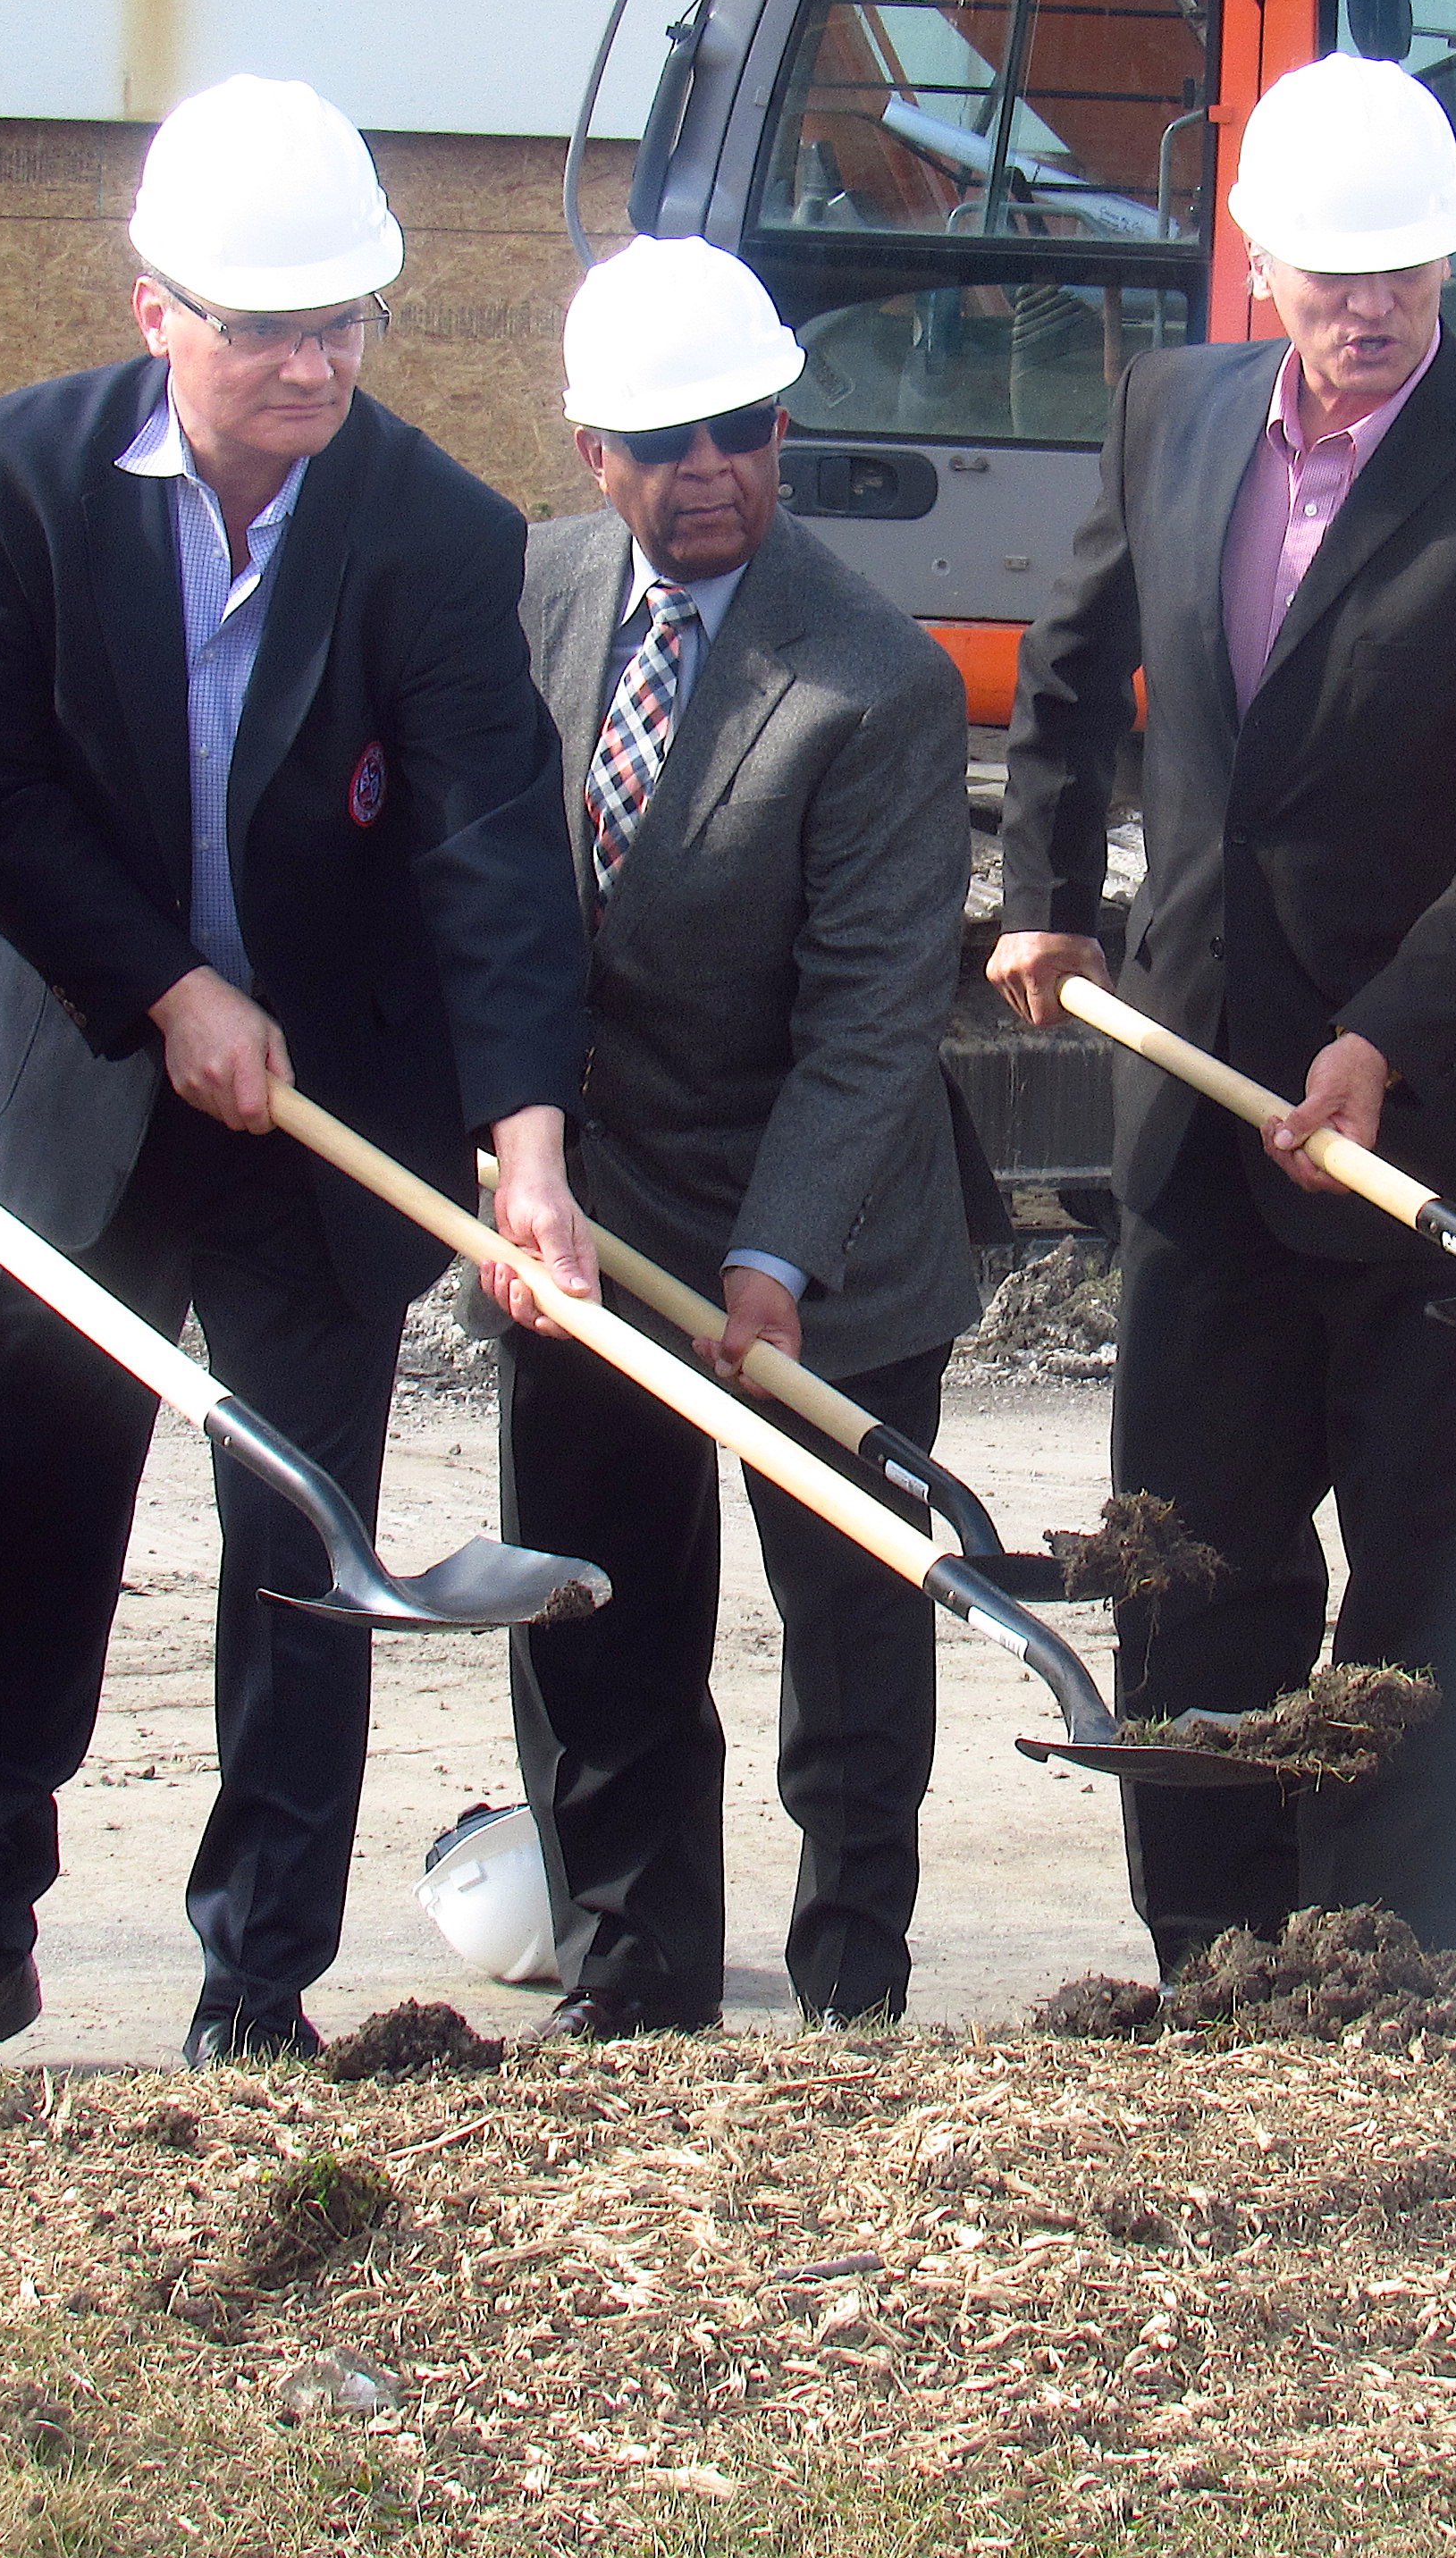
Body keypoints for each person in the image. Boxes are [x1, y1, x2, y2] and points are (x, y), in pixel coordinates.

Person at [0, 75, 595, 2080]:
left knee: (304, 1552)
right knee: (15, 1503)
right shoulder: (19, 477)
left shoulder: (432, 526)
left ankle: (258, 1984)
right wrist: (168, 986)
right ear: (154, 305)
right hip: (86, 1085)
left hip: (329, 1113)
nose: (313, 361)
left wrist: (526, 1145)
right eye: (266, 325)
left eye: (343, 317)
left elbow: (492, 843)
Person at [989, 55, 1456, 1973]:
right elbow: (1067, 669)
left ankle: (1374, 1943)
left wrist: (1390, 1033)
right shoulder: (1174, 414)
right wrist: (1047, 899)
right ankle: (1206, 1930)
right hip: (1197, 1102)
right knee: (1193, 1540)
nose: (1369, 312)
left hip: (1423, 1125)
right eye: (1332, 274)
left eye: (1408, 276)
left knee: (1416, 1564)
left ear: (1452, 263)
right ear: (1257, 255)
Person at [497, 238, 981, 2038]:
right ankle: (635, 1986)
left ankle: (852, 1983)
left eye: (742, 428)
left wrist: (772, 1262)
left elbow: (869, 1024)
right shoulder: (527, 596)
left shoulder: (873, 682)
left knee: (850, 1643)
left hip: (824, 1233)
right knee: (600, 1621)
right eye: (662, 438)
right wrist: (512, 1146)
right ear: (588, 450)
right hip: (584, 1225)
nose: (708, 469)